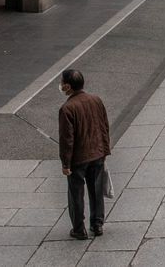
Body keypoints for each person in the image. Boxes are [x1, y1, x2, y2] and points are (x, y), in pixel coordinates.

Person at [59, 69, 111, 239]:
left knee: (76, 194)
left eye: (61, 82)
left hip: (78, 158)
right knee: (96, 190)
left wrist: (65, 164)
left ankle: (79, 228)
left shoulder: (67, 108)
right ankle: (97, 224)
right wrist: (104, 149)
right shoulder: (96, 100)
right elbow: (104, 125)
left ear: (67, 86)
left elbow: (67, 140)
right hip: (97, 153)